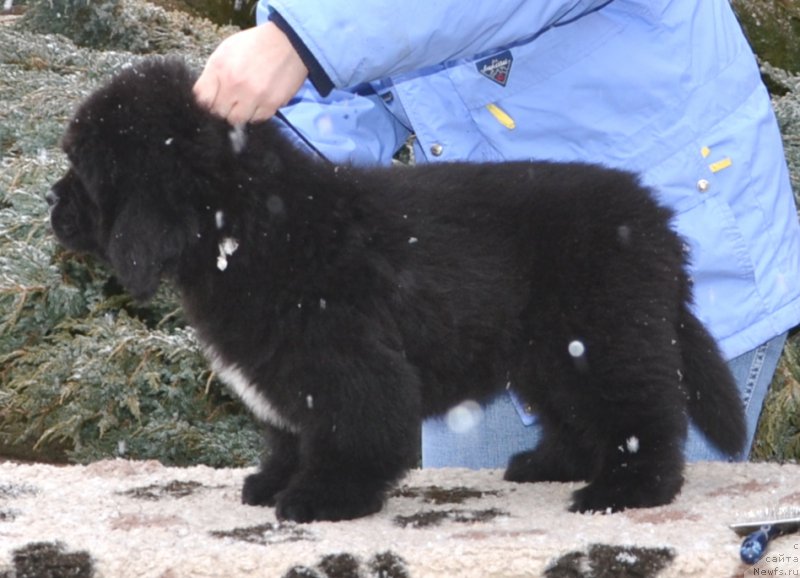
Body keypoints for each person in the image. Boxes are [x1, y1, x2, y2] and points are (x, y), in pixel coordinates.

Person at [194, 0, 800, 467]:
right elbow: (348, 92)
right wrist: (248, 190)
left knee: (641, 526)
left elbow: (331, 41)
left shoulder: (319, 28)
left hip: (633, 254)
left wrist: (304, 38)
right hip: (490, 284)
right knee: (474, 544)